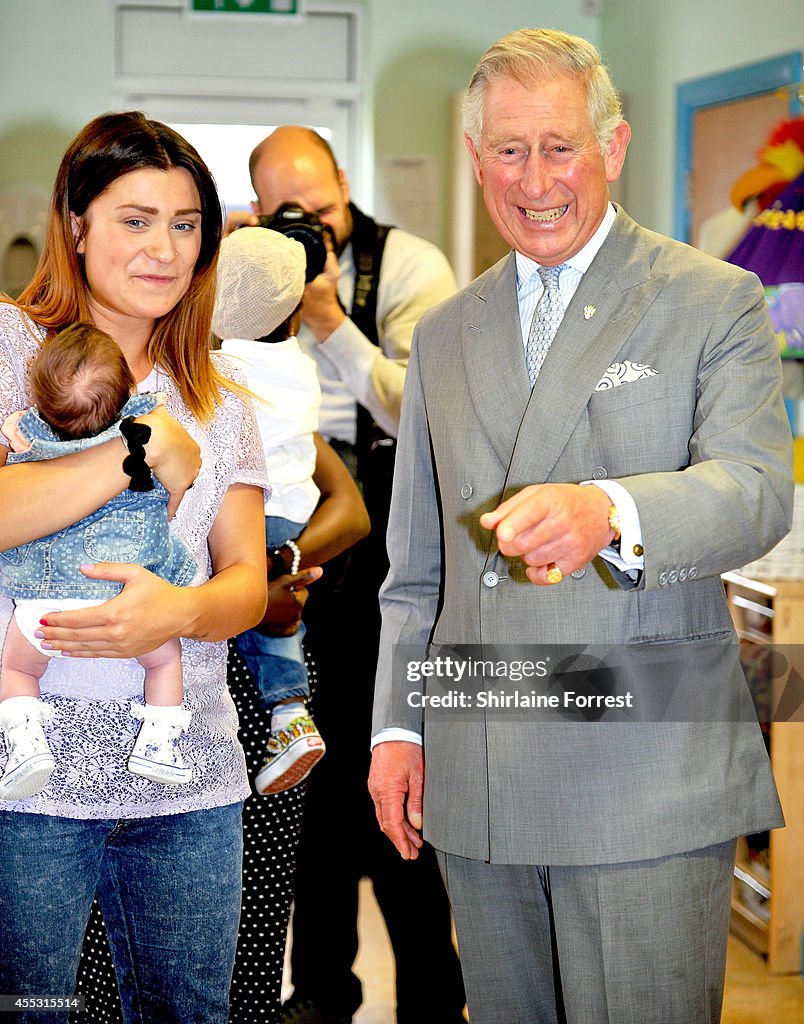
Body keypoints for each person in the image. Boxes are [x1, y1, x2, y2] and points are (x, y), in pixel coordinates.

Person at [368, 28, 794, 1024]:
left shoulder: (711, 299)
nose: (535, 178)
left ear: (615, 146)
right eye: (508, 151)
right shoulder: (442, 333)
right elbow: (414, 571)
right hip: (477, 765)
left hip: (643, 765)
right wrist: (397, 724)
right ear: (476, 160)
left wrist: (612, 511)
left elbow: (756, 488)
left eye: (560, 147)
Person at [0, 110, 269, 1024]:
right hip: (27, 777)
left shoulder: (219, 399)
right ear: (76, 222)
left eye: (186, 224)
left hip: (186, 775)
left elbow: (244, 585)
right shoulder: (9, 350)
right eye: (135, 219)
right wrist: (130, 459)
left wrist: (177, 615)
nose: (163, 248)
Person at [245, 127, 467, 1024]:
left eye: (324, 209)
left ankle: (432, 1001)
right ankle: (322, 992)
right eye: (286, 213)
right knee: (315, 791)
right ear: (259, 210)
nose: (310, 227)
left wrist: (333, 326)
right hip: (289, 554)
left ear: (347, 185)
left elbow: (431, 410)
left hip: (396, 558)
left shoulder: (411, 265)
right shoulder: (246, 266)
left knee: (404, 784)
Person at [0, 323, 198, 798]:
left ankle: (25, 745)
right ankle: (161, 745)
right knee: (164, 660)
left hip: (42, 604)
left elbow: (13, 435)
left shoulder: (26, 428)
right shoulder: (148, 422)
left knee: (17, 669)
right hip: (127, 594)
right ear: (128, 386)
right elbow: (182, 476)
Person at [213, 225, 326, 794]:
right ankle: (291, 712)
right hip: (294, 512)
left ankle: (286, 715)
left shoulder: (224, 369)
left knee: (259, 611)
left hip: (249, 512)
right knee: (281, 616)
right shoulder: (299, 365)